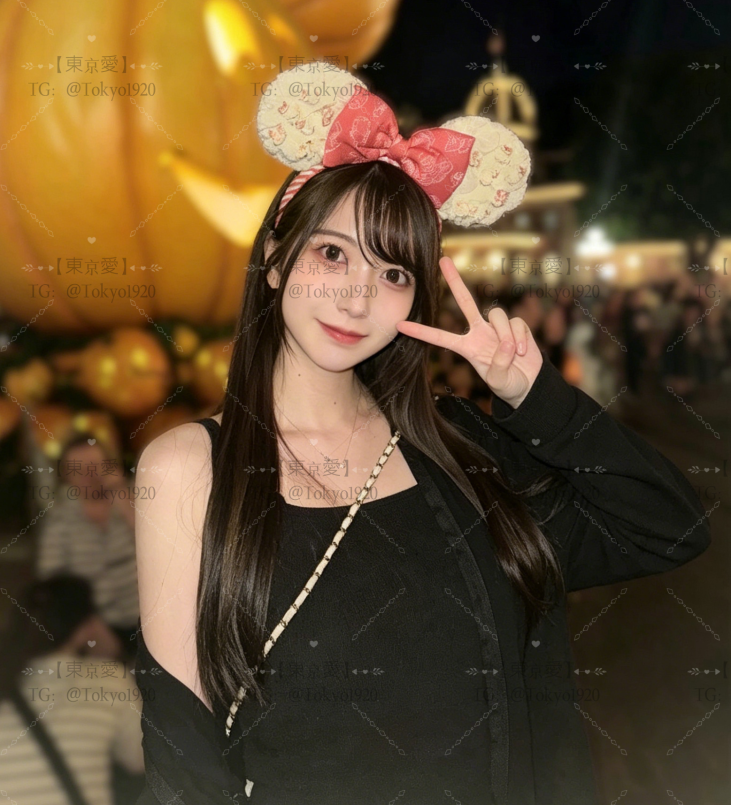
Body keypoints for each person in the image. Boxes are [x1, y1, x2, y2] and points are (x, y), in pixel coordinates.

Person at [132, 63, 711, 805]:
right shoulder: (189, 468)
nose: (358, 297)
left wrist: (535, 400)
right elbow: (182, 761)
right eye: (332, 253)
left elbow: (667, 527)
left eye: (394, 273)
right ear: (275, 260)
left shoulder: (460, 448)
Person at [0, 575, 144, 805]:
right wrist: (114, 656)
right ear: (87, 626)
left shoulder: (8, 681)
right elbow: (140, 759)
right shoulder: (109, 680)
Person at [35, 435, 140, 656]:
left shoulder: (131, 501)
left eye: (95, 466)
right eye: (79, 469)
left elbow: (158, 548)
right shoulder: (60, 520)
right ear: (66, 475)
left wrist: (121, 495)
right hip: (96, 628)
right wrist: (88, 625)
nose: (90, 476)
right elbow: (53, 583)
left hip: (146, 617)